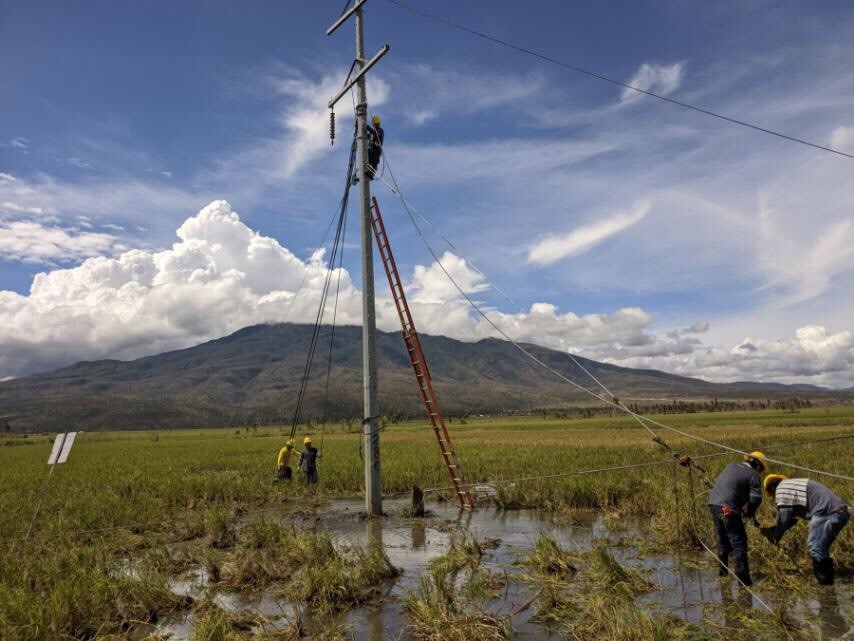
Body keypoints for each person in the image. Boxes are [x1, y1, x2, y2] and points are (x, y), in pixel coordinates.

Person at [761, 474, 850, 585]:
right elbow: (791, 520)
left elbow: (784, 518)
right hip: (840, 512)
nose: (774, 498)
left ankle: (824, 585)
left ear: (771, 488)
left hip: (825, 513)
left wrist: (775, 537)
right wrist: (772, 529)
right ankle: (828, 585)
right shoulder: (792, 487)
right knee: (821, 549)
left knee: (816, 548)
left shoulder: (781, 490)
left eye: (772, 495)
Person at [708, 451, 767, 585]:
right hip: (727, 509)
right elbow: (756, 499)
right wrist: (749, 512)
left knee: (723, 540)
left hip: (714, 505)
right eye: (761, 469)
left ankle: (723, 575)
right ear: (758, 466)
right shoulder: (753, 475)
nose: (760, 472)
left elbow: (731, 487)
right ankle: (744, 583)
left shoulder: (730, 466)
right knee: (738, 543)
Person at [366, 114, 384, 180]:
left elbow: (376, 134)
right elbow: (366, 136)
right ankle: (369, 171)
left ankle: (371, 174)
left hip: (377, 149)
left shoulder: (380, 130)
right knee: (369, 160)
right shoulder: (372, 133)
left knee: (374, 161)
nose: (376, 125)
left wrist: (367, 127)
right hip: (372, 149)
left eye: (376, 124)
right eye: (375, 124)